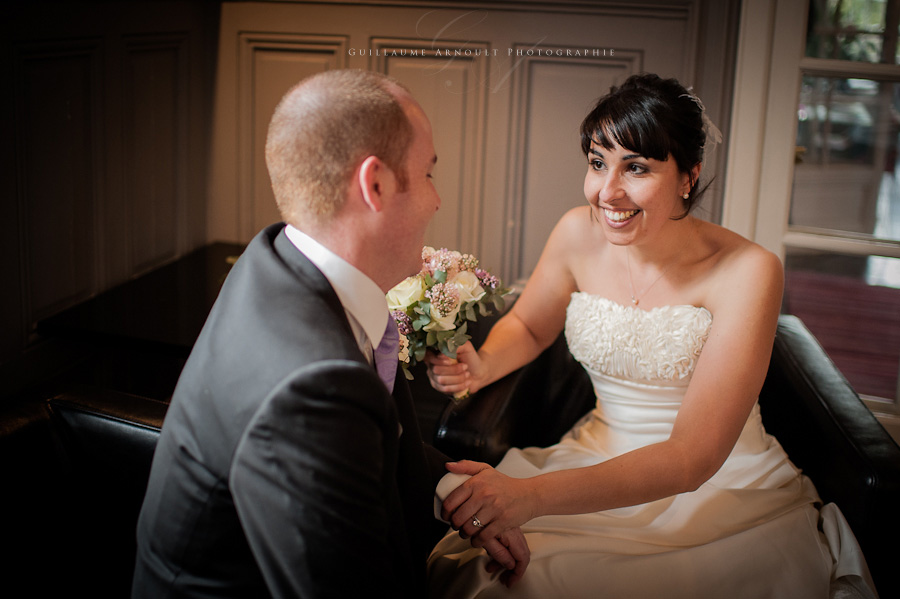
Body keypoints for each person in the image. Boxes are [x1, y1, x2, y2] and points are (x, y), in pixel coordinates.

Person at [424, 73, 878, 598]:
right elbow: (528, 325)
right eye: (598, 163)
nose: (607, 192)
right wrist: (481, 366)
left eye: (636, 167)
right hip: (596, 454)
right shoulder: (577, 231)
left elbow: (691, 458)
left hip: (720, 481)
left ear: (689, 176)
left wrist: (530, 496)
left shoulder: (749, 270)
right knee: (498, 579)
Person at [132, 69, 528, 599]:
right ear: (376, 185)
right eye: (430, 173)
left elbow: (381, 447)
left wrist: (452, 487)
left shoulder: (274, 258)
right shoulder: (314, 387)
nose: (437, 200)